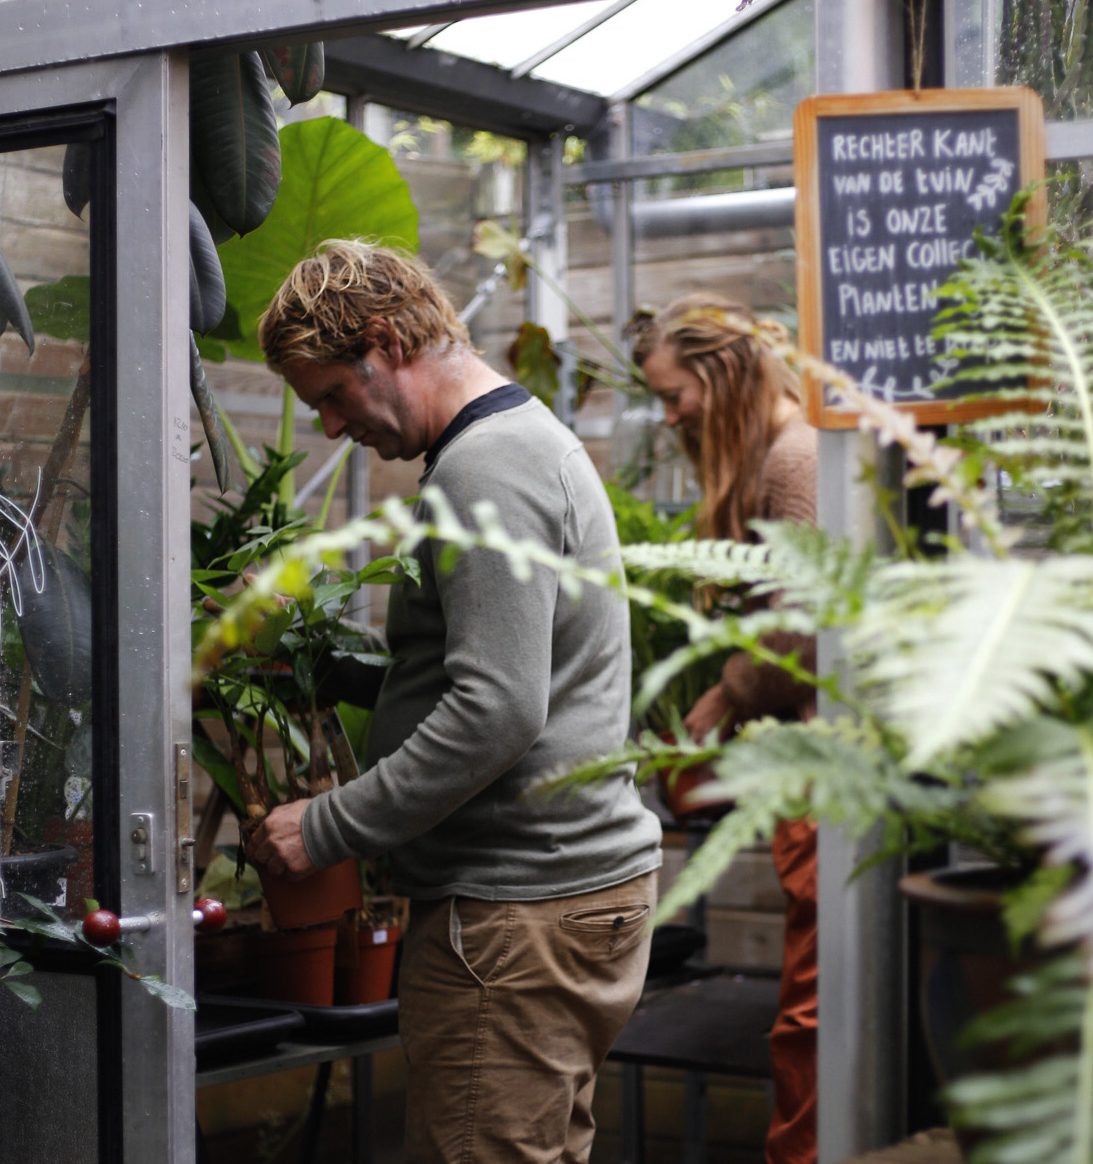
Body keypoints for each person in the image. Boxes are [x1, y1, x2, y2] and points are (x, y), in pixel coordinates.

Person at [246, 239, 662, 1164]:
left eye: (330, 395)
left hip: (517, 915)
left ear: (385, 342)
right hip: (562, 897)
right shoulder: (513, 443)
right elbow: (512, 674)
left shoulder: (485, 472)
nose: (325, 427)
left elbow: (497, 711)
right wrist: (330, 671)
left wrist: (324, 829)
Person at [633, 293, 819, 1164]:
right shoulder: (782, 455)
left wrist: (722, 698)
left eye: (676, 395)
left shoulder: (795, 461)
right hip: (811, 772)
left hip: (830, 774)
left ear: (724, 370)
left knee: (813, 1013)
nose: (672, 416)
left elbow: (801, 627)